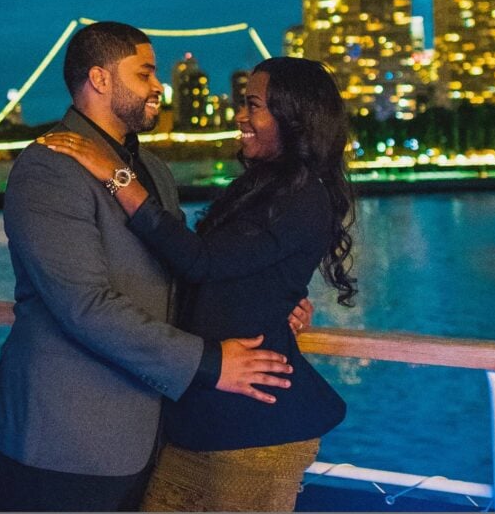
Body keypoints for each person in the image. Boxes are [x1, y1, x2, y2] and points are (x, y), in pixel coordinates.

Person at [0, 22, 312, 512]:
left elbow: (184, 268)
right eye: (145, 72)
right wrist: (212, 364)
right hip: (64, 440)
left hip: (145, 434)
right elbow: (84, 307)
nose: (159, 86)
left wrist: (269, 300)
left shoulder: (151, 169)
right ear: (100, 79)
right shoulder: (48, 167)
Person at [39, 55, 357, 511]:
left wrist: (118, 177)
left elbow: (201, 261)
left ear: (293, 115)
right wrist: (281, 297)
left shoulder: (304, 196)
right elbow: (235, 268)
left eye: (253, 106)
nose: (240, 117)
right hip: (205, 416)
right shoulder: (264, 186)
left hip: (256, 427)